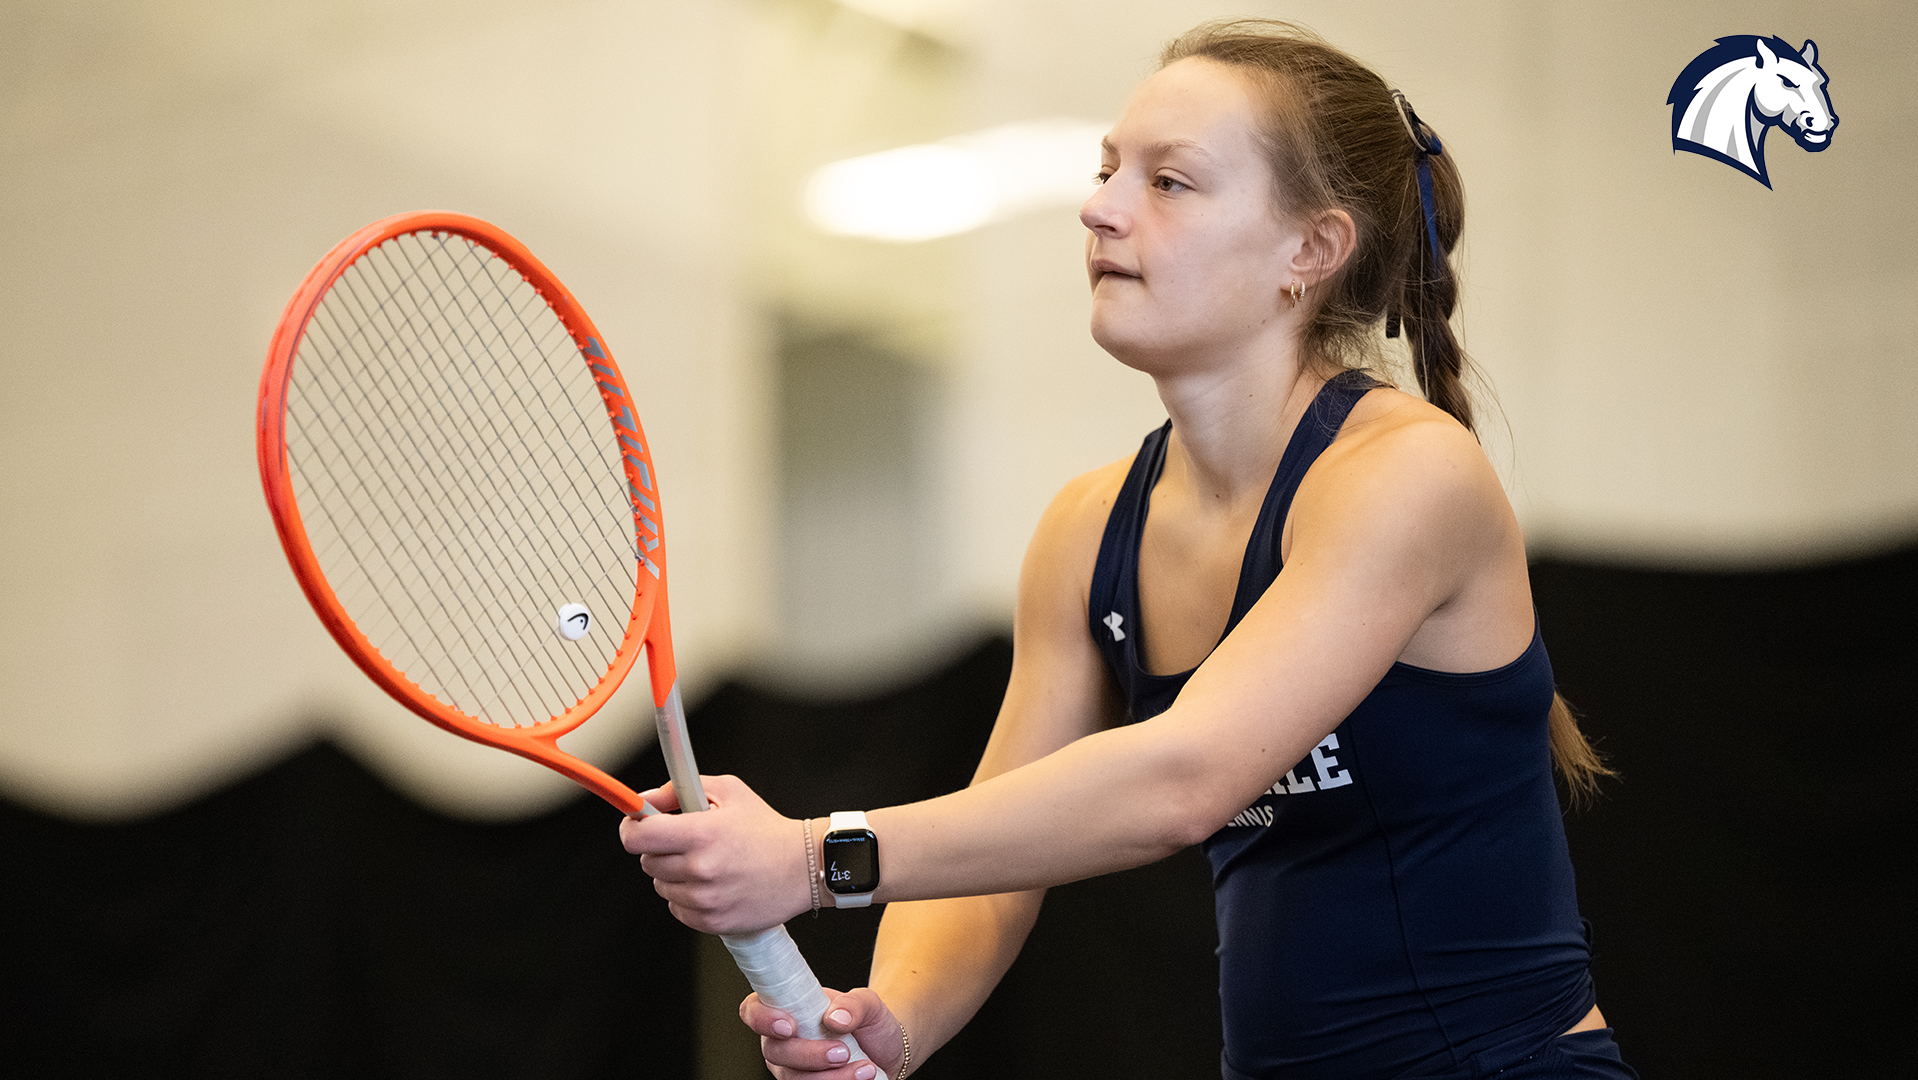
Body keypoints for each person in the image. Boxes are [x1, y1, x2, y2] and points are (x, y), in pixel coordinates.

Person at [622, 18, 1635, 1080]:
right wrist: (893, 1022)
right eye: (1109, 168)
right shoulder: (1086, 532)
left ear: (1311, 251)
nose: (1098, 206)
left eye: (1170, 182)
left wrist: (813, 859)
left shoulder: (1405, 476)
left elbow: (1181, 779)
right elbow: (997, 852)